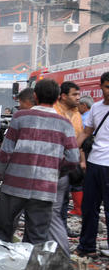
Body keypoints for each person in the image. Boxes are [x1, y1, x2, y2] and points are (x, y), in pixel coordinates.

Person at [0, 79, 79, 246]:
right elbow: (73, 159)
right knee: (36, 237)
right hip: (44, 189)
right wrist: (55, 173)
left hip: (14, 185)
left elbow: (5, 153)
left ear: (35, 96)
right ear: (58, 98)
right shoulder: (65, 124)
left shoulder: (20, 117)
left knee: (0, 232)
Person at [76, 72, 109, 257]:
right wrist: (71, 149)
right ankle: (87, 247)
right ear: (101, 86)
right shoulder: (96, 108)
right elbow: (86, 132)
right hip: (95, 163)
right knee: (89, 208)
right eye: (107, 87)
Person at [49, 81, 84, 252]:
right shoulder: (54, 112)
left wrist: (81, 160)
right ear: (63, 96)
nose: (78, 98)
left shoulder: (77, 114)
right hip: (56, 163)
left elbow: (80, 139)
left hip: (72, 162)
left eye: (79, 95)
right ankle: (57, 233)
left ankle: (61, 229)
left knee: (65, 198)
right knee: (57, 201)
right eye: (74, 95)